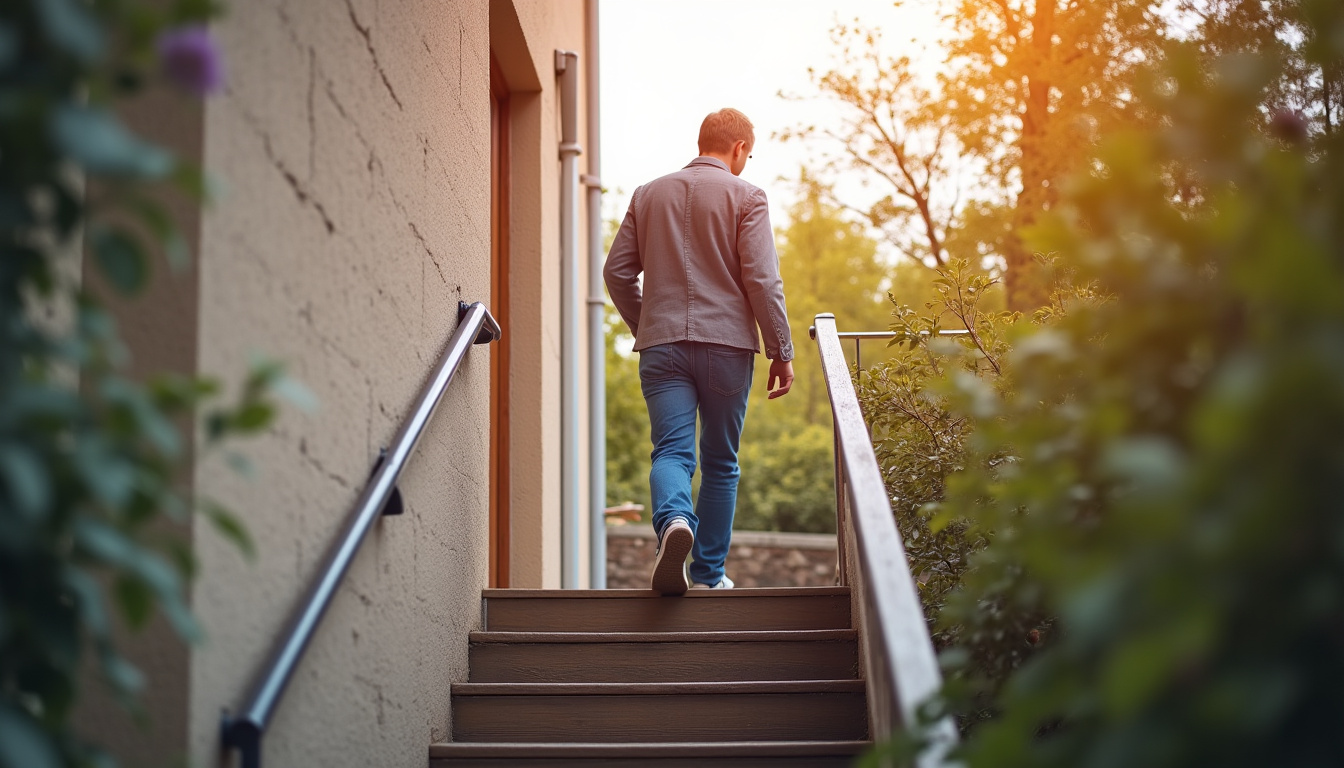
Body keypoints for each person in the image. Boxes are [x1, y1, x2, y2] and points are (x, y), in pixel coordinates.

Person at [603, 108, 794, 595]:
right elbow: (762, 279)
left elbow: (617, 272)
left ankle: (673, 524)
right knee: (721, 461)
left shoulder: (648, 194)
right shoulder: (747, 196)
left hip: (662, 346)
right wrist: (781, 350)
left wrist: (648, 322)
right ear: (738, 149)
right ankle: (709, 575)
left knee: (671, 451)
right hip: (727, 346)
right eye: (749, 153)